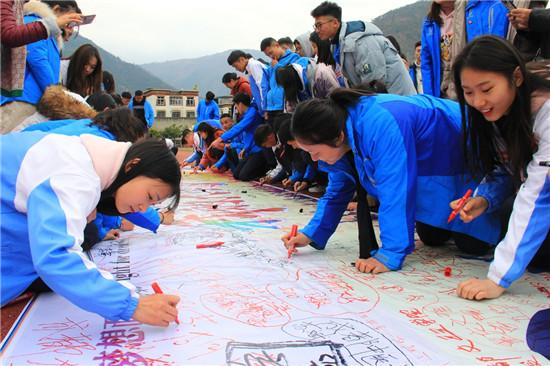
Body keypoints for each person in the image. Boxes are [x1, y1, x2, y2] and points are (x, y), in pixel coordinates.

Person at [284, 89, 501, 273]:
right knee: (432, 236)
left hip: (462, 155)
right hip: (430, 166)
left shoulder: (379, 122)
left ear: (337, 137)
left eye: (313, 151)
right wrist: (310, 234)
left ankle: (506, 214)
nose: (313, 159)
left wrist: (389, 253)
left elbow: (395, 187)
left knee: (473, 243)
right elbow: (337, 190)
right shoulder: (342, 132)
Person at [1, 134, 181, 326]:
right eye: (149, 196)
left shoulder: (93, 157)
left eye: (153, 203)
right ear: (132, 165)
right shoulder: (76, 175)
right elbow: (56, 255)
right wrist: (133, 304)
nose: (144, 208)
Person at [450, 36, 550, 300]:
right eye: (468, 92)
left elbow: (539, 195)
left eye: (486, 89)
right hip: (537, 190)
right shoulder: (499, 112)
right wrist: (484, 198)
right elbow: (507, 167)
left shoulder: (546, 111)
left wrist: (497, 278)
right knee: (471, 237)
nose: (478, 101)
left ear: (516, 77)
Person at [1, 0, 81, 132]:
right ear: (56, 10)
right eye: (70, 21)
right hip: (23, 99)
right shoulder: (34, 22)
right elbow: (37, 59)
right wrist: (56, 93)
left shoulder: (48, 31)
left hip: (34, 99)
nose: (70, 27)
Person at [310, 1, 416, 96]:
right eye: (315, 26)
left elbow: (375, 83)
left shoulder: (360, 41)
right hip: (385, 102)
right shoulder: (336, 44)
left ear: (335, 23)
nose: (317, 30)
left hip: (398, 101)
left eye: (319, 25)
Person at [212, 93, 269, 181]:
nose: (237, 109)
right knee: (236, 175)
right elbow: (250, 134)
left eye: (236, 106)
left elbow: (239, 128)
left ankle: (266, 171)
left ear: (240, 104)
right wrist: (245, 148)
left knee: (244, 176)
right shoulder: (246, 115)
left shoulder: (252, 113)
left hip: (259, 150)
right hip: (250, 150)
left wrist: (221, 138)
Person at [260, 37, 300, 123]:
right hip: (271, 107)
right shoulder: (272, 64)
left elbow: (292, 77)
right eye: (268, 55)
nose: (271, 56)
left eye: (271, 52)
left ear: (277, 45)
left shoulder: (293, 57)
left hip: (284, 106)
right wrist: (266, 107)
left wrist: (277, 66)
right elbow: (269, 85)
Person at [227, 50, 268, 115]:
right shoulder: (249, 69)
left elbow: (263, 87)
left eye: (236, 66)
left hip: (267, 109)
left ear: (241, 59)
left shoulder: (253, 65)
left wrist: (265, 108)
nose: (236, 69)